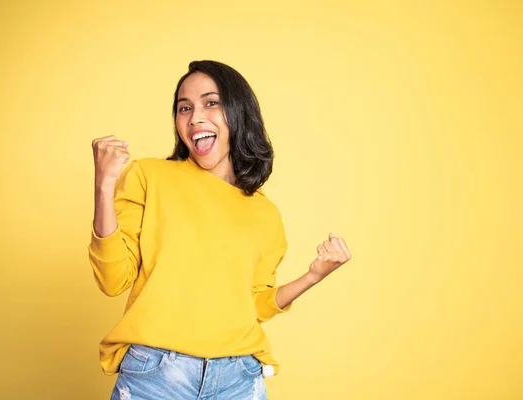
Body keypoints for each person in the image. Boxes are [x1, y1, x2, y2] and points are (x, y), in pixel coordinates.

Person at [88, 60, 352, 400]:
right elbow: (113, 280)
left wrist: (313, 276)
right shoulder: (149, 176)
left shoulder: (264, 212)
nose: (195, 116)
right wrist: (103, 187)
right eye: (185, 108)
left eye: (211, 102)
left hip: (238, 378)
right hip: (157, 376)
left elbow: (255, 305)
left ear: (238, 112)